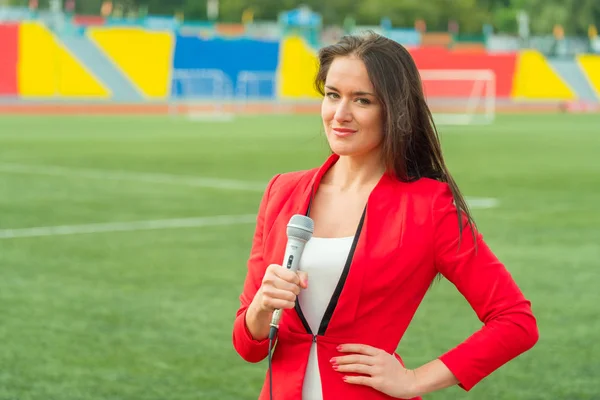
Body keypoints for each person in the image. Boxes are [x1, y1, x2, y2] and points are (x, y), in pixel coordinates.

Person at [232, 31, 539, 400]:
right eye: (332, 95)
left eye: (362, 100)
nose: (340, 114)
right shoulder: (281, 191)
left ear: (394, 109)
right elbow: (248, 346)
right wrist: (261, 308)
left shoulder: (430, 206)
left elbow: (515, 321)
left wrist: (416, 379)